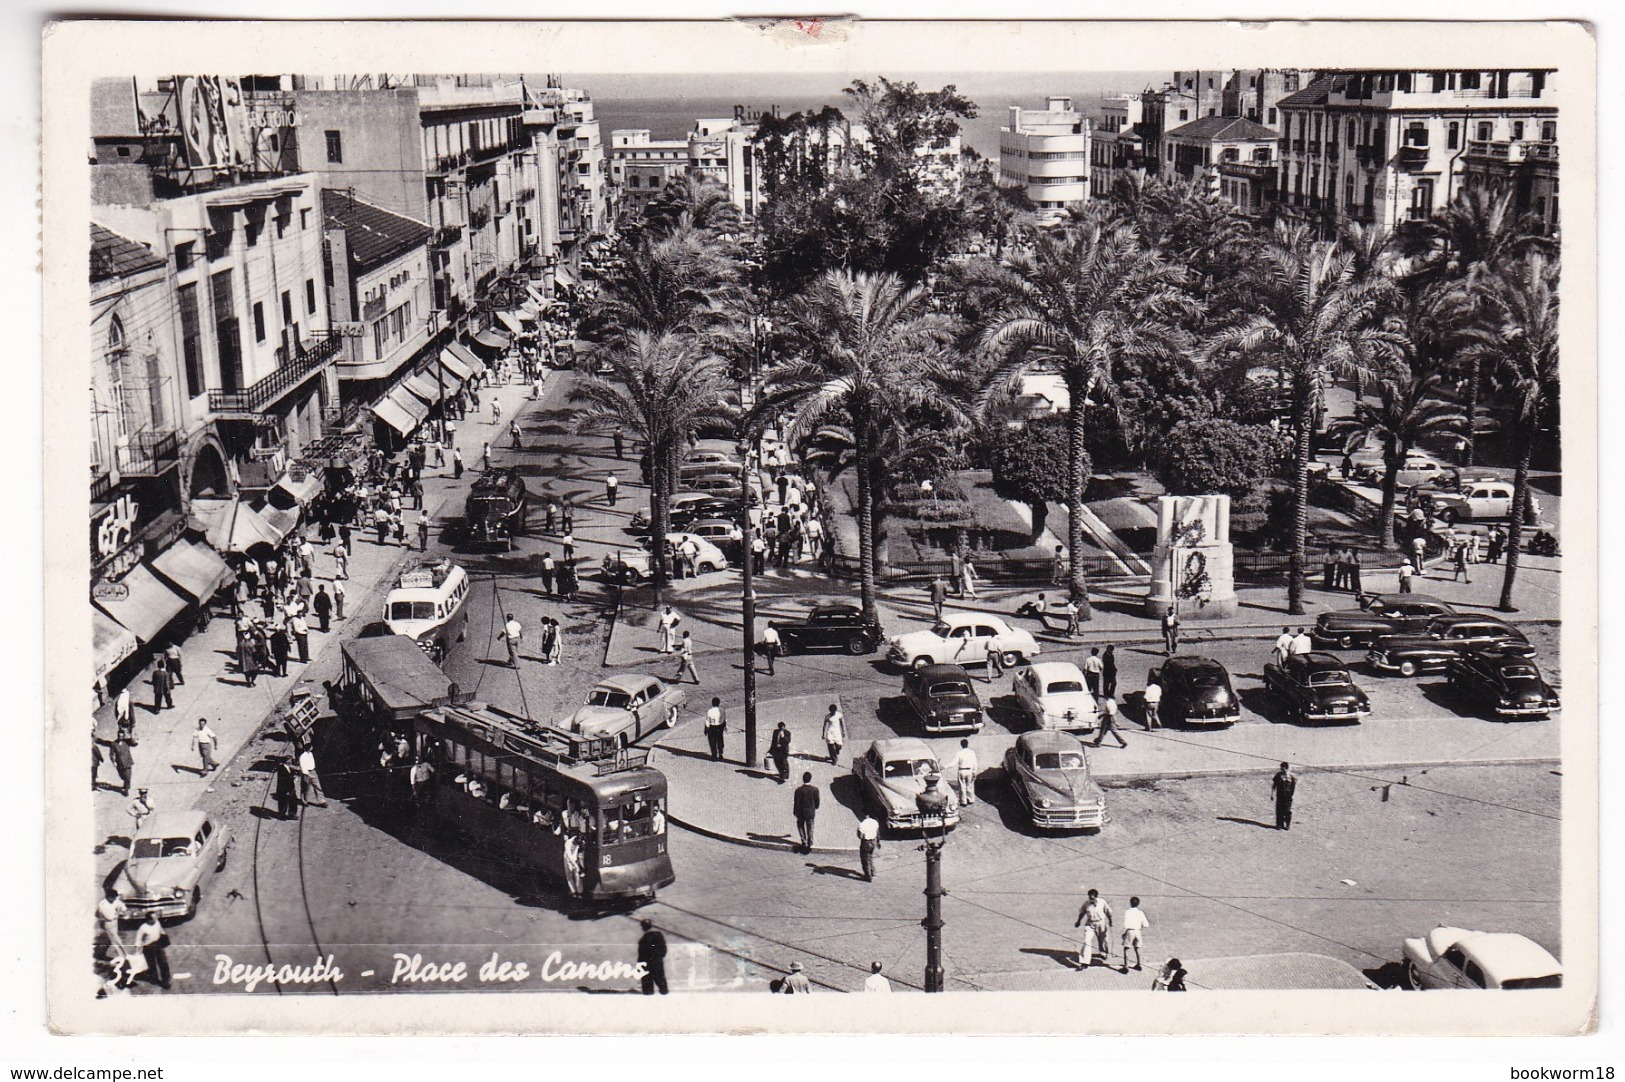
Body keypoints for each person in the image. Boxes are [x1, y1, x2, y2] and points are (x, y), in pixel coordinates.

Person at [1073, 888, 1114, 969]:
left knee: (1103, 940)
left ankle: (1103, 953)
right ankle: (1084, 962)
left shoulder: (1102, 902)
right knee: (1086, 941)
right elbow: (1082, 913)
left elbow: (1108, 912)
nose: (1091, 900)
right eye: (1089, 898)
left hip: (1100, 922)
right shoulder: (1086, 904)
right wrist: (1078, 921)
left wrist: (1110, 921)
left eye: (1092, 898)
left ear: (1096, 897)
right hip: (1090, 923)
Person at [133, 913, 171, 990]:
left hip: (157, 944)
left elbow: (161, 930)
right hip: (148, 947)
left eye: (156, 918)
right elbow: (138, 940)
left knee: (163, 962)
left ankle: (166, 981)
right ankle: (154, 978)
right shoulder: (143, 928)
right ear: (149, 920)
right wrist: (137, 951)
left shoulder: (157, 922)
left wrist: (165, 938)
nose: (156, 919)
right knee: (152, 965)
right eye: (154, 919)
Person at [637, 920, 669, 995]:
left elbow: (641, 953)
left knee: (647, 983)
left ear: (643, 927)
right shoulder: (658, 934)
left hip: (646, 963)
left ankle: (650, 996)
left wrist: (640, 964)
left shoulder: (644, 939)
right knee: (660, 980)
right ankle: (664, 994)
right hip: (657, 961)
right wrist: (659, 957)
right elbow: (663, 948)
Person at [793, 772, 821, 853]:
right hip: (810, 812)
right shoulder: (815, 790)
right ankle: (810, 843)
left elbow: (796, 802)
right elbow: (817, 802)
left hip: (801, 812)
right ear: (810, 779)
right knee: (810, 828)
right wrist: (815, 807)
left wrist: (795, 812)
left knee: (801, 826)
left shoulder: (798, 790)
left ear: (803, 779)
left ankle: (803, 841)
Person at [97, 887, 128, 958]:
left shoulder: (114, 900)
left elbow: (123, 907)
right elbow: (109, 917)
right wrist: (118, 911)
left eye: (115, 898)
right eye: (113, 898)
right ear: (109, 897)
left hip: (115, 922)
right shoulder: (103, 905)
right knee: (116, 939)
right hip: (109, 923)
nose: (115, 900)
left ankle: (123, 955)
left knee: (115, 939)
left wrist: (122, 910)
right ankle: (124, 955)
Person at [1120, 896, 1149, 972]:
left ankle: (1125, 966)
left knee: (1126, 949)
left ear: (1130, 903)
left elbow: (1125, 924)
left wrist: (1124, 933)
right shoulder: (1140, 912)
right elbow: (1146, 924)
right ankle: (1139, 964)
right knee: (1137, 948)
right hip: (1138, 931)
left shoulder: (1128, 912)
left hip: (1130, 931)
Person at [950, 738, 978, 806]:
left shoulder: (959, 753)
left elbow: (953, 763)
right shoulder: (972, 752)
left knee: (962, 787)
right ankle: (971, 799)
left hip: (962, 770)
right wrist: (974, 772)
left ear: (961, 745)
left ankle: (963, 801)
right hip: (969, 771)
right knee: (970, 786)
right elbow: (975, 763)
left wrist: (944, 767)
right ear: (967, 744)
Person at [856, 813, 881, 882]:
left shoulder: (862, 824)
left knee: (865, 859)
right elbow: (878, 833)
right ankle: (873, 871)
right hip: (873, 841)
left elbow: (860, 836)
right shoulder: (874, 822)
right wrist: (878, 842)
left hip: (866, 842)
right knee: (870, 856)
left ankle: (868, 876)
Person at [1272, 761, 1297, 830]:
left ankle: (1287, 824)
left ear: (1286, 768)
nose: (1281, 770)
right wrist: (1272, 794)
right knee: (1279, 810)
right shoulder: (1278, 775)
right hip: (1280, 795)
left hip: (1288, 796)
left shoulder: (1291, 776)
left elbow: (1293, 786)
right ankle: (1279, 824)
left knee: (1287, 811)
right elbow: (1274, 785)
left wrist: (1292, 795)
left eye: (1282, 768)